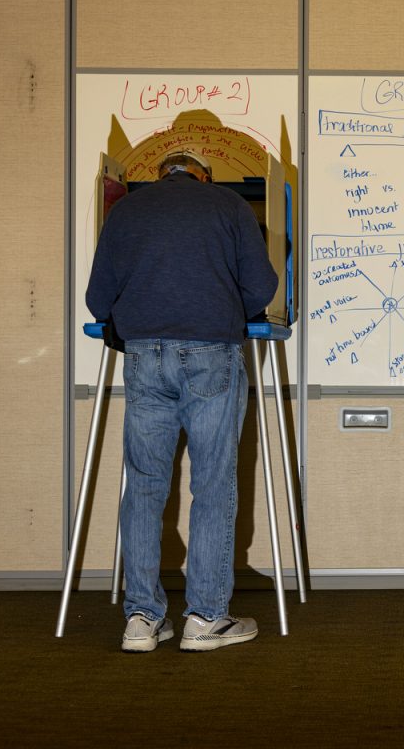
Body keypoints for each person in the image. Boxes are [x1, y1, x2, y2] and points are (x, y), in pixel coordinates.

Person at [86, 151, 279, 653]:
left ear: (160, 174)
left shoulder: (126, 209)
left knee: (145, 487)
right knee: (213, 483)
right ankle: (206, 618)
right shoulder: (230, 205)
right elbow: (261, 287)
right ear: (204, 176)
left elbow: (97, 299)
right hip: (212, 353)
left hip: (145, 355)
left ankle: (142, 619)